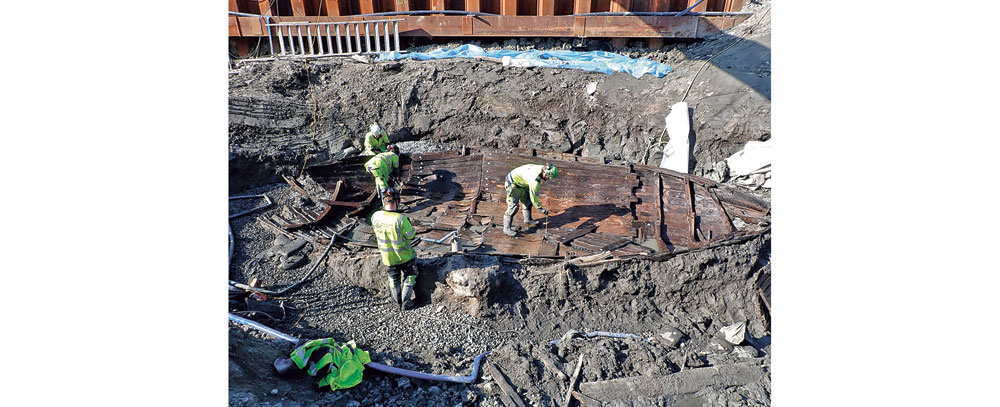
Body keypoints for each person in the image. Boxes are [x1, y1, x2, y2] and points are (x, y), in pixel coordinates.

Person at [371, 187, 419, 310]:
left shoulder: (375, 216)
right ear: (397, 201)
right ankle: (406, 302)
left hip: (388, 258)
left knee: (393, 278)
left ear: (383, 201)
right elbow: (411, 235)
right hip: (404, 256)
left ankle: (397, 302)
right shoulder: (400, 219)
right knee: (411, 275)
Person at [503, 162, 558, 237]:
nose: (547, 179)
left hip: (522, 182)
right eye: (548, 177)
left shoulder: (543, 168)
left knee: (527, 201)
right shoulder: (535, 180)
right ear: (546, 173)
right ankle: (506, 229)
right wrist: (540, 209)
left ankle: (528, 220)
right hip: (512, 184)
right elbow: (533, 196)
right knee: (513, 207)